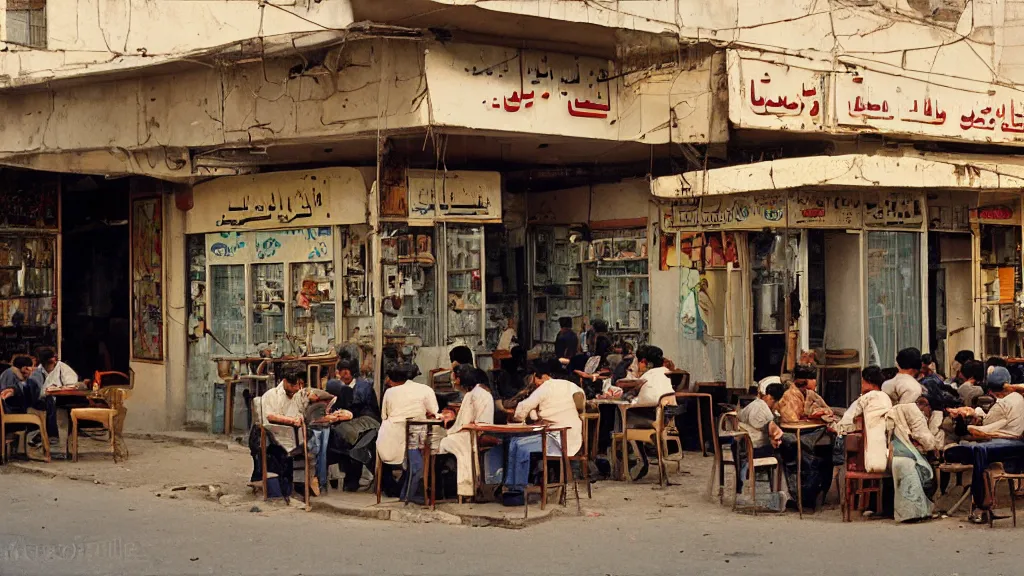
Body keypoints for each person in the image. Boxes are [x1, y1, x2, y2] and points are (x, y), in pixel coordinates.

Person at [496, 355, 583, 506]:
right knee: (516, 442)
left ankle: (516, 490)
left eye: (534, 379)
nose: (534, 383)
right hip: (572, 436)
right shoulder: (571, 386)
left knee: (518, 445)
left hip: (558, 438)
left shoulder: (545, 387)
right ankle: (514, 487)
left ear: (540, 377)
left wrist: (517, 418)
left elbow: (523, 408)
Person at [250, 363, 340, 500]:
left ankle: (312, 481)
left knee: (320, 438)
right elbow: (270, 417)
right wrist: (291, 421)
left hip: (294, 438)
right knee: (276, 456)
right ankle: (277, 491)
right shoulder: (271, 395)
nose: (297, 388)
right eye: (294, 385)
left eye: (300, 385)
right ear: (285, 381)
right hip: (272, 437)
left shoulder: (300, 395)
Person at [376, 362, 439, 497]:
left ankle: (404, 493)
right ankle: (408, 495)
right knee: (417, 464)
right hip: (415, 434)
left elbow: (384, 416)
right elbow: (434, 412)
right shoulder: (426, 389)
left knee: (409, 464)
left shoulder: (389, 392)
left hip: (391, 436)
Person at [438, 368, 495, 499]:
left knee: (442, 440)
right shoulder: (482, 392)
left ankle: (461, 488)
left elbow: (463, 423)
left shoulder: (472, 395)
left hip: (472, 433)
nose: (453, 382)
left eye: (454, 379)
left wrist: (448, 425)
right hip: (479, 431)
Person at [886, 399, 942, 522]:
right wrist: (933, 448)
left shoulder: (895, 409)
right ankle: (917, 513)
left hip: (893, 453)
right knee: (927, 472)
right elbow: (923, 435)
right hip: (907, 456)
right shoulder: (912, 410)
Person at [735, 382, 784, 494]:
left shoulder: (754, 404)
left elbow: (740, 415)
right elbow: (771, 428)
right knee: (784, 449)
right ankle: (777, 491)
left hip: (742, 447)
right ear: (771, 398)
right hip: (753, 450)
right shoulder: (764, 411)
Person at [950, 367, 1024, 439]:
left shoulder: (1002, 405)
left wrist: (968, 423)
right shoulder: (1018, 397)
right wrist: (976, 412)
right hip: (1013, 436)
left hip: (1005, 441)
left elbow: (987, 424)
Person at [25, 348, 64, 453]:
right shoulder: (36, 375)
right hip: (36, 403)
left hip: (45, 400)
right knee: (50, 400)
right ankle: (51, 435)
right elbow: (39, 393)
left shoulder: (51, 373)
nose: (54, 364)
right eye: (52, 362)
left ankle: (54, 435)